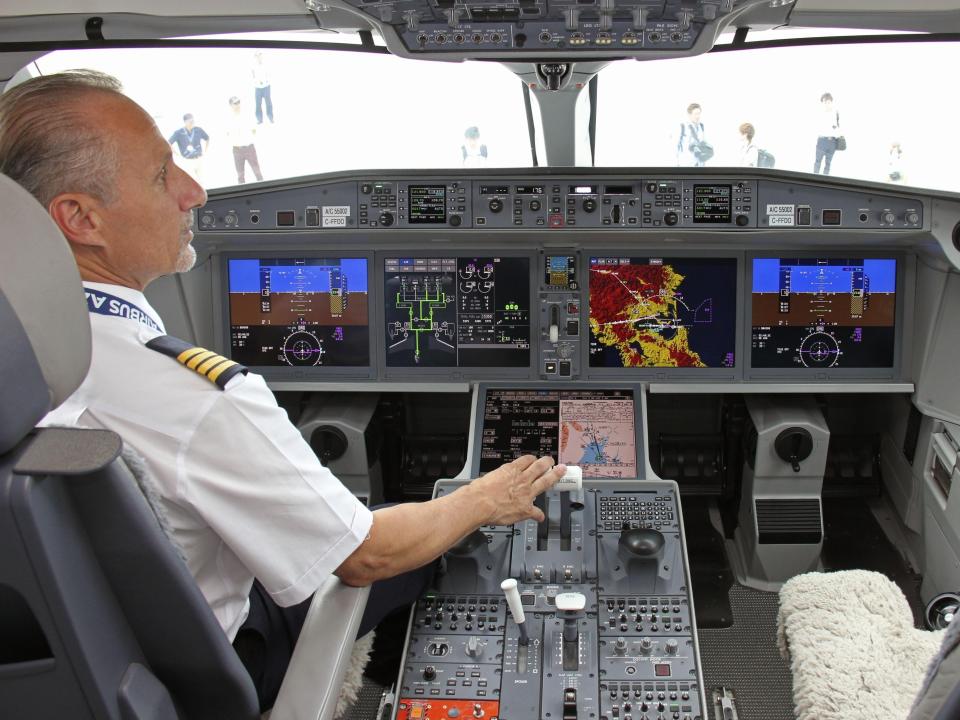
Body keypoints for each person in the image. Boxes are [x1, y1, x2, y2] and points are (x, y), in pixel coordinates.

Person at [0, 70, 566, 712]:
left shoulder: (16, 357)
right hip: (208, 669)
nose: (195, 191)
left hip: (78, 664)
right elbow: (366, 557)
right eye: (163, 174)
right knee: (425, 544)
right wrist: (483, 496)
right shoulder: (196, 398)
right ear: (80, 218)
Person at [225, 95, 263, 184]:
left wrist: (247, 139)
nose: (238, 105)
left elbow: (254, 130)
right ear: (230, 105)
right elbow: (227, 134)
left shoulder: (247, 115)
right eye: (235, 103)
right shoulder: (228, 119)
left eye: (239, 102)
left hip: (249, 148)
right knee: (240, 175)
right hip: (237, 150)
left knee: (257, 171)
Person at [167, 112, 209, 181]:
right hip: (187, 161)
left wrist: (205, 151)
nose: (192, 123)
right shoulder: (179, 132)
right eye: (190, 121)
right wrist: (176, 154)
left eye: (193, 121)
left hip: (199, 159)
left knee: (201, 182)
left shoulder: (198, 130)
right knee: (192, 181)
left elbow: (207, 138)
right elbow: (168, 143)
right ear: (185, 122)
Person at [813, 92, 842, 175]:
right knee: (817, 163)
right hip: (822, 140)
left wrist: (836, 129)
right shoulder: (819, 114)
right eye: (825, 102)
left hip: (832, 141)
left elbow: (839, 128)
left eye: (828, 102)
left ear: (831, 102)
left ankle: (824, 183)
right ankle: (814, 182)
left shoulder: (836, 113)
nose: (827, 104)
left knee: (828, 164)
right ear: (822, 103)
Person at [677, 102, 711, 167]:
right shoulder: (682, 126)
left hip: (699, 164)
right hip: (686, 164)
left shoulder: (701, 126)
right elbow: (676, 147)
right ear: (689, 115)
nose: (698, 116)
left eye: (699, 113)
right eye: (695, 114)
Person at [252, 51, 274, 125]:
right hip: (257, 88)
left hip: (266, 87)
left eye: (259, 55)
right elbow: (252, 76)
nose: (258, 57)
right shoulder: (253, 66)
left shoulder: (266, 65)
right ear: (255, 57)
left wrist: (265, 81)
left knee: (268, 103)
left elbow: (269, 75)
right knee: (258, 104)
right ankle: (259, 119)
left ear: (262, 56)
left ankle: (271, 117)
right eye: (257, 56)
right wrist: (256, 82)